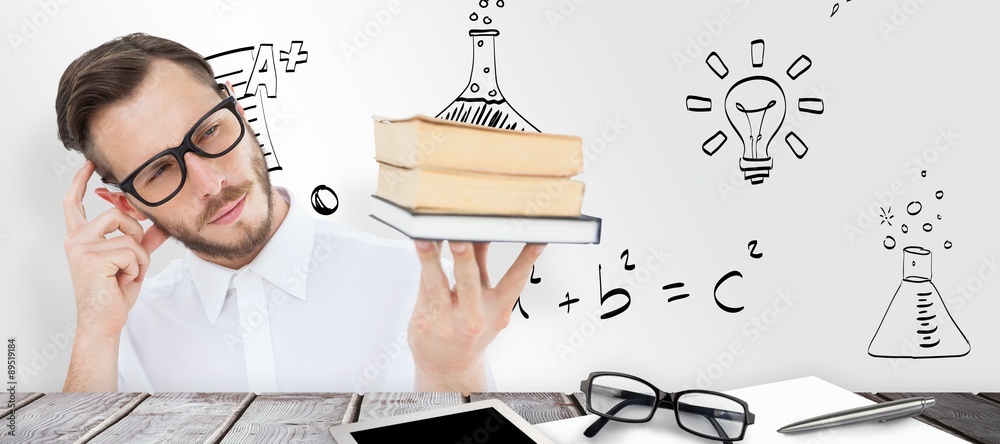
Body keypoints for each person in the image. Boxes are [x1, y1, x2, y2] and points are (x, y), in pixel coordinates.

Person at [56, 33, 544, 393]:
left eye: (207, 132)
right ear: (126, 203)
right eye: (159, 170)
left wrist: (449, 375)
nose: (211, 183)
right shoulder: (124, 330)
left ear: (241, 114)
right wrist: (94, 333)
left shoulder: (414, 283)